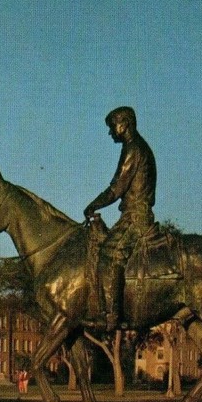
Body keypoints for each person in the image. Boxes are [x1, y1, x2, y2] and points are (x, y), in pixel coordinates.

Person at [83, 106, 157, 332]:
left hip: (136, 216)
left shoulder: (133, 148)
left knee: (109, 253)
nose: (110, 133)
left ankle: (112, 316)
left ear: (124, 123)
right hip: (132, 213)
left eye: (112, 127)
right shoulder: (136, 146)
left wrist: (93, 204)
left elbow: (117, 187)